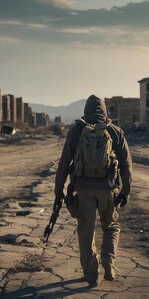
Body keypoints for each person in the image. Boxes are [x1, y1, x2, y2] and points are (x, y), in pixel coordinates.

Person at [54, 95, 133, 286]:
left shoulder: (76, 131)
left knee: (85, 232)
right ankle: (108, 260)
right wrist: (126, 190)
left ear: (86, 111)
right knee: (110, 226)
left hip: (83, 189)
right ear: (104, 111)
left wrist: (59, 190)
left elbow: (64, 163)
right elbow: (126, 164)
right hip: (108, 189)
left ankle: (91, 275)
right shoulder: (115, 131)